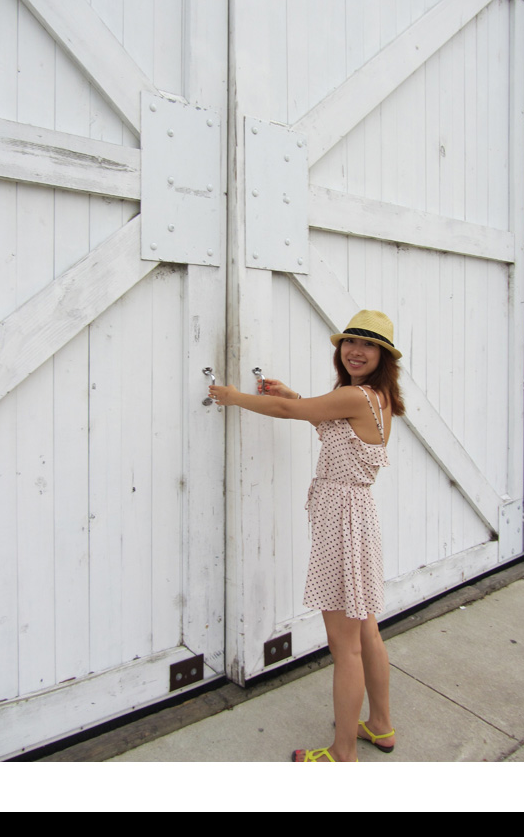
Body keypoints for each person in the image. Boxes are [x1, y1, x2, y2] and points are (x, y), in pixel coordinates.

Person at [208, 309, 406, 763]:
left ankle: (343, 753)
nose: (356, 351)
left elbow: (288, 412)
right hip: (355, 516)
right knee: (368, 631)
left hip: (342, 519)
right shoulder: (374, 397)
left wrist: (234, 396)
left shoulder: (357, 396)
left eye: (368, 345)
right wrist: (294, 394)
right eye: (350, 342)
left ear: (383, 356)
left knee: (345, 645)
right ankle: (379, 725)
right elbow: (325, 422)